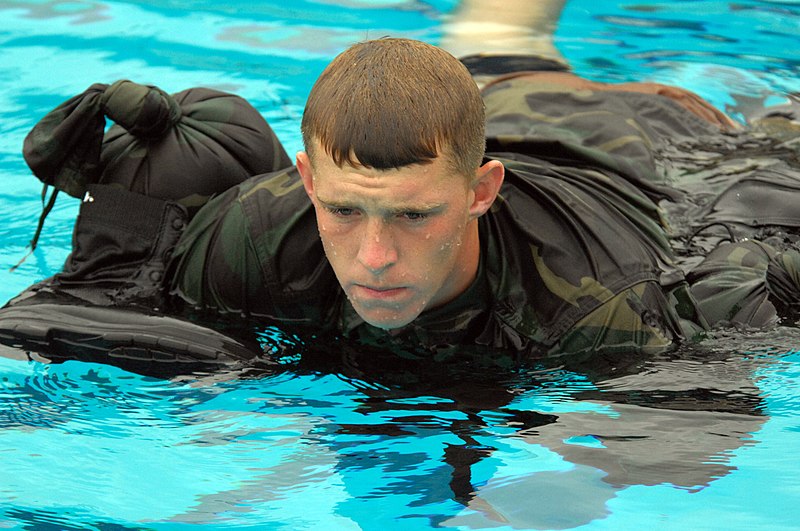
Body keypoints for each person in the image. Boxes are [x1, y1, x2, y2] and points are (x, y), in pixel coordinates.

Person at [2, 37, 800, 372]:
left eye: (413, 216)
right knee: (497, 30)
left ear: (481, 193)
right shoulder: (251, 237)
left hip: (677, 157)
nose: (374, 255)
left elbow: (695, 465)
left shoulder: (603, 307)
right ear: (307, 180)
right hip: (507, 95)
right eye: (346, 209)